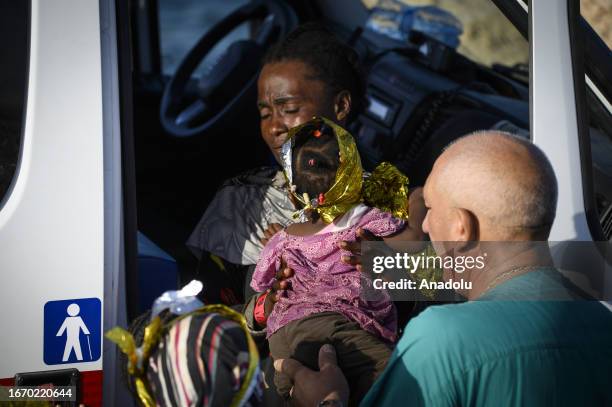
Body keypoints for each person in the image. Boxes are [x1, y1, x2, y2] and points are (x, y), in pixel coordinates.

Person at [274, 131, 612, 407]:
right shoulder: (602, 322)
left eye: (431, 208)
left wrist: (325, 402)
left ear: (461, 229)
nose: (427, 223)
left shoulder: (443, 339)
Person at [251, 117, 421, 405]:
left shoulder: (285, 236)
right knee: (402, 382)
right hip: (338, 328)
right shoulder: (362, 222)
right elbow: (416, 243)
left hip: (282, 337)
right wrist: (416, 201)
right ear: (352, 173)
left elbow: (260, 283)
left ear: (295, 191)